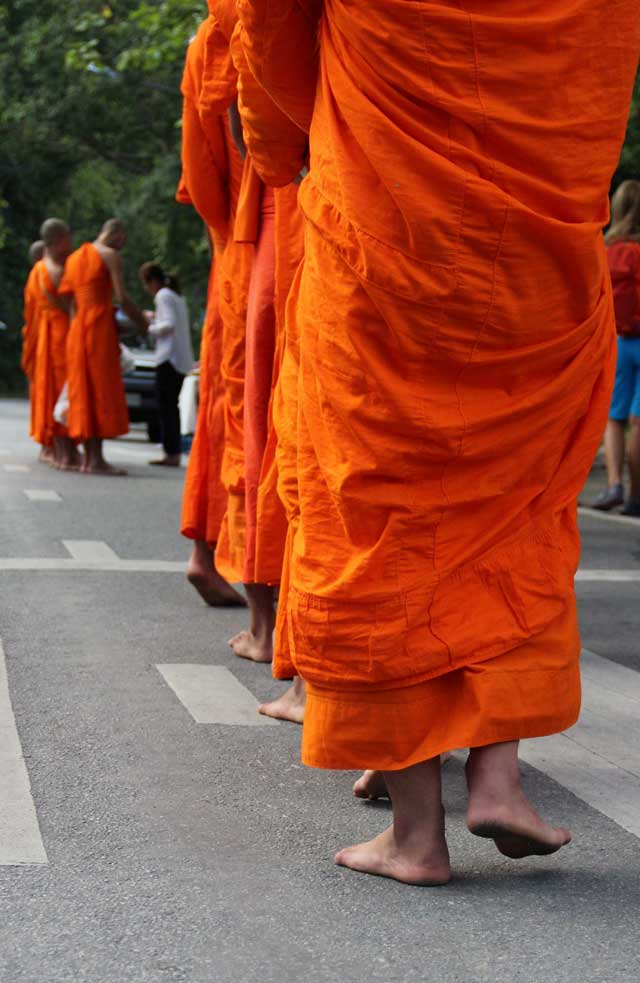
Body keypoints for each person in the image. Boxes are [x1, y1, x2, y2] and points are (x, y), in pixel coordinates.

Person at [237, 0, 640, 884]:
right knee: (517, 508)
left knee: (382, 512)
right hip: (537, 260)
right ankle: (500, 780)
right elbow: (601, 75)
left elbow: (269, 42)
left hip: (386, 232)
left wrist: (281, 150)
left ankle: (417, 835)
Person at [176, 15, 248, 607]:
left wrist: (225, 241)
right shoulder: (285, 23)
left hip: (231, 244)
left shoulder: (207, 39)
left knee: (224, 406)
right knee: (266, 410)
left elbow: (200, 177)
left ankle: (206, 550)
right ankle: (251, 567)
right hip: (284, 230)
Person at [60, 219, 148, 475]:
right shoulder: (110, 255)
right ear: (118, 235)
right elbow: (120, 297)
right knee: (99, 389)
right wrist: (141, 322)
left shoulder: (75, 257)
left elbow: (72, 303)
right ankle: (95, 459)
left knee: (82, 390)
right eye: (124, 240)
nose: (123, 245)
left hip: (78, 329)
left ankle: (89, 458)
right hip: (99, 328)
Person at [592, 179, 640, 517]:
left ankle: (613, 486)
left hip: (617, 341)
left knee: (614, 417)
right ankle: (636, 496)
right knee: (638, 421)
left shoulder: (606, 248)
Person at [27, 218, 80, 470]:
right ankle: (64, 451)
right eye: (68, 238)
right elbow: (74, 307)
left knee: (50, 390)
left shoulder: (37, 270)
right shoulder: (59, 271)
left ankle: (53, 448)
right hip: (61, 336)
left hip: (43, 339)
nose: (71, 243)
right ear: (59, 240)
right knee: (63, 391)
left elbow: (29, 313)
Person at [139, 263, 194, 467]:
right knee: (172, 407)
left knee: (166, 408)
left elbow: (168, 325)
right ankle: (173, 452)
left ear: (152, 281)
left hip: (168, 359)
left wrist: (149, 327)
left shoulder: (163, 295)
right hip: (179, 360)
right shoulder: (175, 296)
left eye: (146, 283)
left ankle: (171, 452)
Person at [22, 239, 48, 460]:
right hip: (45, 339)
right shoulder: (41, 275)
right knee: (47, 392)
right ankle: (47, 443)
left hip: (41, 340)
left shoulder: (34, 277)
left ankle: (46, 443)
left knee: (43, 393)